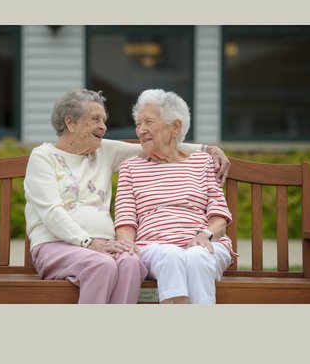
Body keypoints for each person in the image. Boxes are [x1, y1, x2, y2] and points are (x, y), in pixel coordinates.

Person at [24, 88, 230, 304]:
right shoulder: (43, 157)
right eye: (96, 119)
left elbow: (163, 144)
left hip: (105, 247)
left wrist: (208, 149)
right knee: (101, 265)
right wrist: (88, 242)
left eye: (104, 120)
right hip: (60, 245)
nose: (103, 127)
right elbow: (50, 211)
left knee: (132, 263)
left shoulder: (104, 150)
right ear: (70, 123)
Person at [114, 89, 237, 304]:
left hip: (204, 243)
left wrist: (205, 235)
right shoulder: (131, 168)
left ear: (175, 127)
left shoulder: (202, 163)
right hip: (154, 247)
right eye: (138, 124)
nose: (141, 130)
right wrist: (127, 245)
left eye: (148, 122)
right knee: (170, 255)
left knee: (197, 257)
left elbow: (219, 217)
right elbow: (125, 221)